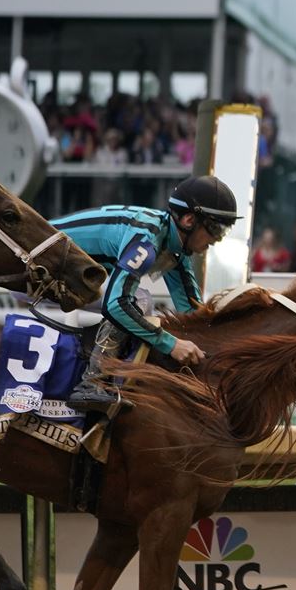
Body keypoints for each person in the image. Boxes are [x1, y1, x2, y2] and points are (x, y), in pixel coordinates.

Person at [55, 175, 240, 412]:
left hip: (73, 273)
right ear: (188, 220)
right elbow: (115, 304)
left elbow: (194, 313)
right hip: (45, 267)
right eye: (215, 228)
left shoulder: (176, 248)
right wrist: (171, 344)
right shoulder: (147, 237)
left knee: (142, 305)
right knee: (138, 300)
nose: (217, 239)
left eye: (224, 229)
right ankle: (92, 384)